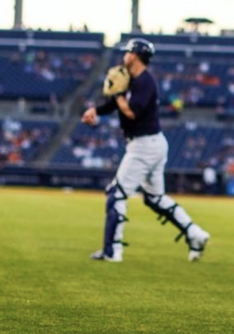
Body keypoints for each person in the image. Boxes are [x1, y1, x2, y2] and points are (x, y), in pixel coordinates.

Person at [83, 38, 210, 263]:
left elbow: (132, 112)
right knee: (155, 199)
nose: (124, 56)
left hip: (144, 145)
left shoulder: (145, 82)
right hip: (151, 143)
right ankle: (195, 234)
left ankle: (112, 251)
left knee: (116, 194)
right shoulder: (132, 79)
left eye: (128, 52)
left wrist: (118, 94)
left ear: (135, 55)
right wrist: (96, 110)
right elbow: (115, 105)